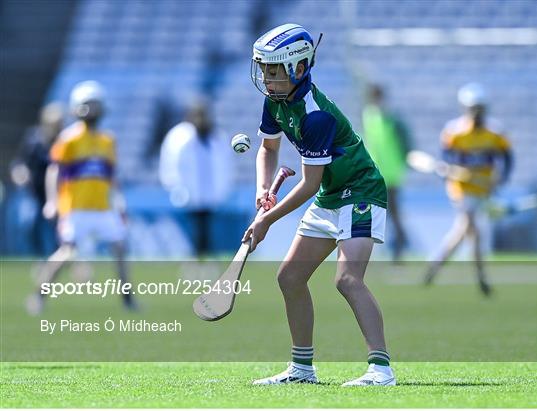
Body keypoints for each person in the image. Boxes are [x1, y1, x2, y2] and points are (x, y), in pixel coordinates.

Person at [245, 24, 395, 386]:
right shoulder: (275, 101)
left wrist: (268, 221)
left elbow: (308, 184)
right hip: (332, 193)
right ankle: (301, 369)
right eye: (263, 69)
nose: (267, 77)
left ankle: (381, 369)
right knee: (289, 277)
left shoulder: (316, 116)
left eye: (274, 69)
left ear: (298, 68)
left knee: (347, 279)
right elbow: (268, 149)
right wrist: (263, 189)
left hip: (360, 191)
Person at [26, 80, 134, 315]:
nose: (91, 110)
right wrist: (52, 201)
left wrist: (120, 205)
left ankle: (128, 299)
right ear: (77, 108)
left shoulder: (108, 140)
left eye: (95, 105)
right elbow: (54, 170)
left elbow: (112, 177)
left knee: (119, 248)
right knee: (66, 252)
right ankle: (39, 296)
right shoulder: (69, 139)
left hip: (103, 207)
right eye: (87, 105)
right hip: (76, 208)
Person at [424, 83, 513, 296]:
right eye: (474, 108)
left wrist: (500, 179)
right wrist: (451, 170)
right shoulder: (454, 132)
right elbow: (446, 161)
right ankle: (481, 278)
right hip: (461, 189)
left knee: (462, 231)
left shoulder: (495, 133)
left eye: (480, 108)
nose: (478, 113)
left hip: (483, 189)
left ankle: (435, 265)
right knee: (473, 229)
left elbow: (508, 159)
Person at [159, 101, 232, 257]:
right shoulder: (180, 136)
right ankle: (194, 266)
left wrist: (223, 190)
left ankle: (206, 265)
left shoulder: (217, 137)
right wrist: (176, 188)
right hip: (188, 196)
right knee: (192, 235)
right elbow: (170, 165)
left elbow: (225, 166)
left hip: (211, 195)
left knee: (207, 234)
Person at [362, 84, 412, 261]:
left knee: (393, 215)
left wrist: (405, 162)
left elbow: (406, 142)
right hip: (374, 175)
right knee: (373, 215)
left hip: (391, 176)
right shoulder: (369, 116)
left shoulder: (392, 119)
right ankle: (371, 254)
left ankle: (399, 252)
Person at [10, 102, 64, 255]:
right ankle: (40, 258)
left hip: (57, 194)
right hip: (34, 192)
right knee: (29, 224)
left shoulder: (64, 142)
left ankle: (57, 259)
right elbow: (19, 163)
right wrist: (20, 174)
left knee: (58, 232)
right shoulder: (34, 139)